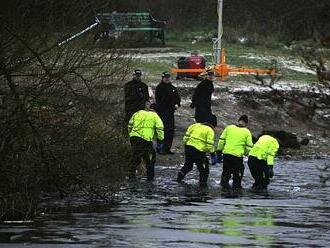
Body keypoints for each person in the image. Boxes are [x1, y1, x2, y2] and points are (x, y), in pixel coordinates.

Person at [177, 115, 217, 187]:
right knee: (204, 170)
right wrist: (213, 154)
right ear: (213, 124)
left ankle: (178, 179)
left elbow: (185, 138)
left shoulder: (194, 125)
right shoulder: (210, 130)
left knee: (188, 166)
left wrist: (186, 146)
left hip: (188, 148)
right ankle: (202, 187)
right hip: (198, 152)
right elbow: (209, 145)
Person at [128, 103, 164, 181]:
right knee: (150, 158)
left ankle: (131, 176)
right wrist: (160, 141)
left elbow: (130, 125)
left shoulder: (138, 113)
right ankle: (150, 178)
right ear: (157, 111)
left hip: (134, 138)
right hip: (145, 140)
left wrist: (131, 135)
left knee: (135, 156)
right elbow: (160, 129)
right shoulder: (155, 116)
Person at [216, 115, 253, 190]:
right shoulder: (247, 132)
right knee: (237, 176)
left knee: (226, 173)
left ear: (238, 120)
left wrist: (219, 152)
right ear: (246, 123)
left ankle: (223, 189)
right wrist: (245, 153)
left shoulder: (229, 128)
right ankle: (236, 191)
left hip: (226, 155)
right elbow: (249, 147)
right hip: (237, 157)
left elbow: (221, 141)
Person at [155, 71, 181, 154]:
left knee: (170, 131)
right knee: (163, 130)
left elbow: (177, 98)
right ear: (162, 78)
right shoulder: (159, 88)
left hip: (170, 113)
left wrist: (177, 104)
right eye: (165, 78)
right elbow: (160, 101)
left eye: (168, 77)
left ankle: (167, 148)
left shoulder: (173, 88)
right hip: (162, 112)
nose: (167, 79)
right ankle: (161, 148)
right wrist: (172, 104)